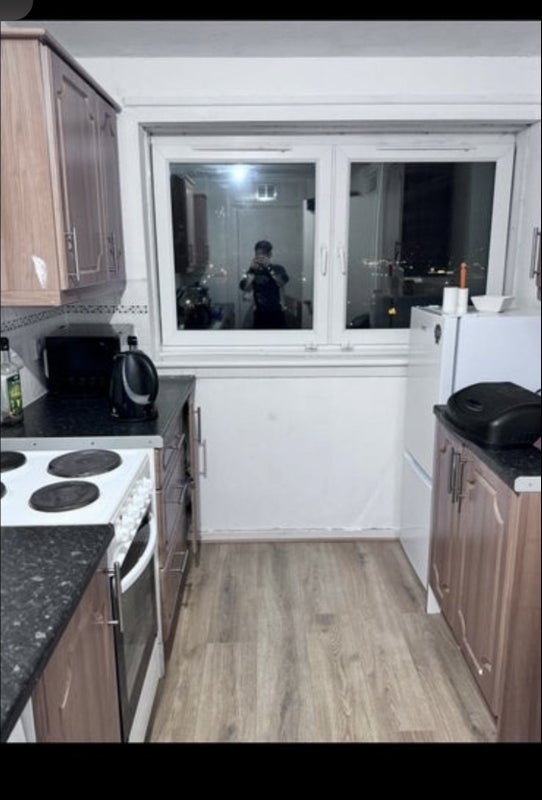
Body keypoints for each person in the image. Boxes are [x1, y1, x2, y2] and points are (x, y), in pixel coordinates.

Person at [239, 240, 290, 328]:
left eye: (263, 254)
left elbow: (281, 282)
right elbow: (244, 287)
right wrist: (251, 270)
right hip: (259, 315)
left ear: (270, 255)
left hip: (277, 314)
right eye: (257, 254)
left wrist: (269, 267)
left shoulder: (278, 268)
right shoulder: (253, 271)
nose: (260, 257)